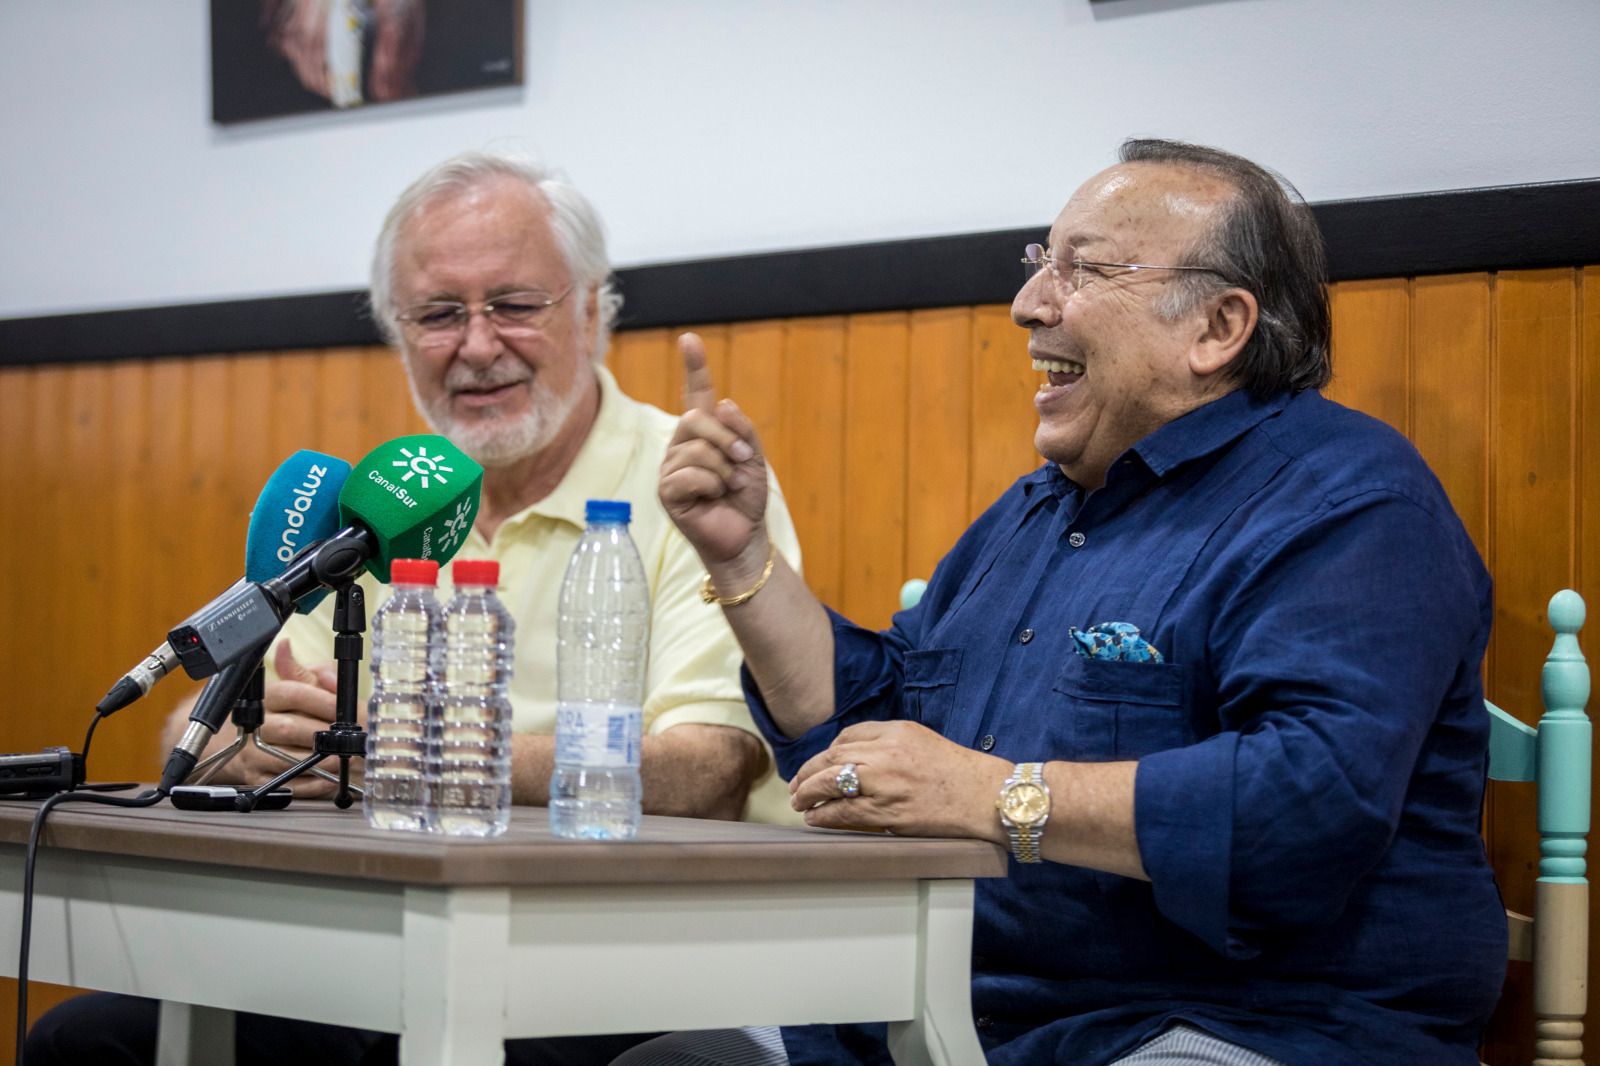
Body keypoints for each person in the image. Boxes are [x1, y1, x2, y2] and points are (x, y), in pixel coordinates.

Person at [649, 139, 1506, 1065]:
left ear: (1217, 328)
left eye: (1084, 269)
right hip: (958, 1008)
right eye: (1039, 263)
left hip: (1247, 1020)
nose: (1029, 304)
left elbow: (1305, 805)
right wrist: (742, 558)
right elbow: (869, 733)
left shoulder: (1351, 505)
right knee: (672, 1055)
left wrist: (993, 794)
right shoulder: (1042, 507)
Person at [27, 150, 803, 1066]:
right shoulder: (376, 506)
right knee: (88, 1043)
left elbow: (711, 766)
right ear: (399, 336)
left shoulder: (691, 479)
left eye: (514, 305)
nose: (476, 347)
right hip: (377, 946)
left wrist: (397, 742)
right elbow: (191, 742)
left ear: (593, 310)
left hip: (617, 956)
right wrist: (251, 744)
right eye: (438, 315)